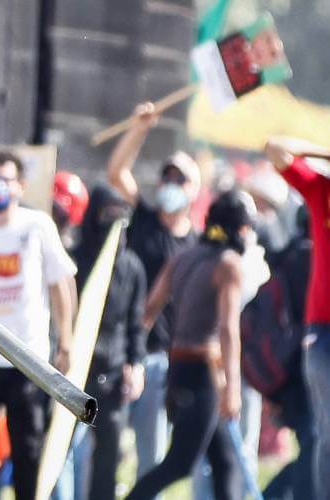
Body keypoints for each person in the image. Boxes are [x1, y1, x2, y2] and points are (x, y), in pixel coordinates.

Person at [0, 152, 77, 500]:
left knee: (27, 450)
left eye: (5, 178)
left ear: (21, 186)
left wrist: (66, 343)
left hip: (29, 360)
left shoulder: (37, 225)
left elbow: (60, 285)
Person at [126, 191, 257, 500]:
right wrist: (233, 388)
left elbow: (148, 310)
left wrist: (134, 354)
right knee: (180, 464)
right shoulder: (229, 264)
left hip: (179, 368)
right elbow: (227, 329)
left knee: (226, 462)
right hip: (203, 374)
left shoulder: (183, 257)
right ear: (240, 229)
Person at [107, 101, 199, 477]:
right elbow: (117, 172)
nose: (171, 186)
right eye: (167, 178)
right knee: (104, 446)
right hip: (127, 350)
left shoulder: (197, 244)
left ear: (195, 190)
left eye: (181, 180)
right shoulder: (144, 220)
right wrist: (139, 128)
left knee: (151, 454)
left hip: (167, 358)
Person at [71, 185, 147, 500]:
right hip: (73, 369)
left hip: (111, 373)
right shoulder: (74, 261)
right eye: (108, 213)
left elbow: (135, 323)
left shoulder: (131, 267)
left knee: (109, 451)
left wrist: (136, 364)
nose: (114, 221)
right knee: (61, 450)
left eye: (121, 214)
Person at [264, 137, 330, 499]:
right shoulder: (322, 190)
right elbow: (275, 148)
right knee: (327, 433)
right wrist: (324, 150)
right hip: (323, 332)